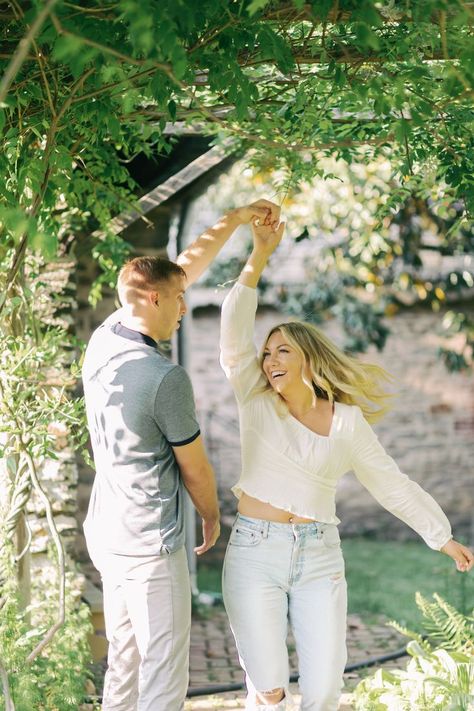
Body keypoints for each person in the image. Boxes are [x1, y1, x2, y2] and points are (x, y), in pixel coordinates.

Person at [219, 212, 474, 711]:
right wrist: (257, 259)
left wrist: (441, 537)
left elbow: (391, 484)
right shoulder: (254, 398)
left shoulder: (347, 422)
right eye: (267, 352)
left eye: (282, 351)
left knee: (325, 692)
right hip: (255, 551)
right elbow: (232, 336)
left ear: (308, 360)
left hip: (319, 556)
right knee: (269, 688)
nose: (270, 360)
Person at [82, 200, 280, 711]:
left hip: (108, 534)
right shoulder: (164, 378)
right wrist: (212, 516)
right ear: (150, 300)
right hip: (151, 544)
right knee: (165, 670)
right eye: (177, 300)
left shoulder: (104, 341)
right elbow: (194, 467)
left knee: (124, 658)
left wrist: (234, 221)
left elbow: (182, 268)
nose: (184, 308)